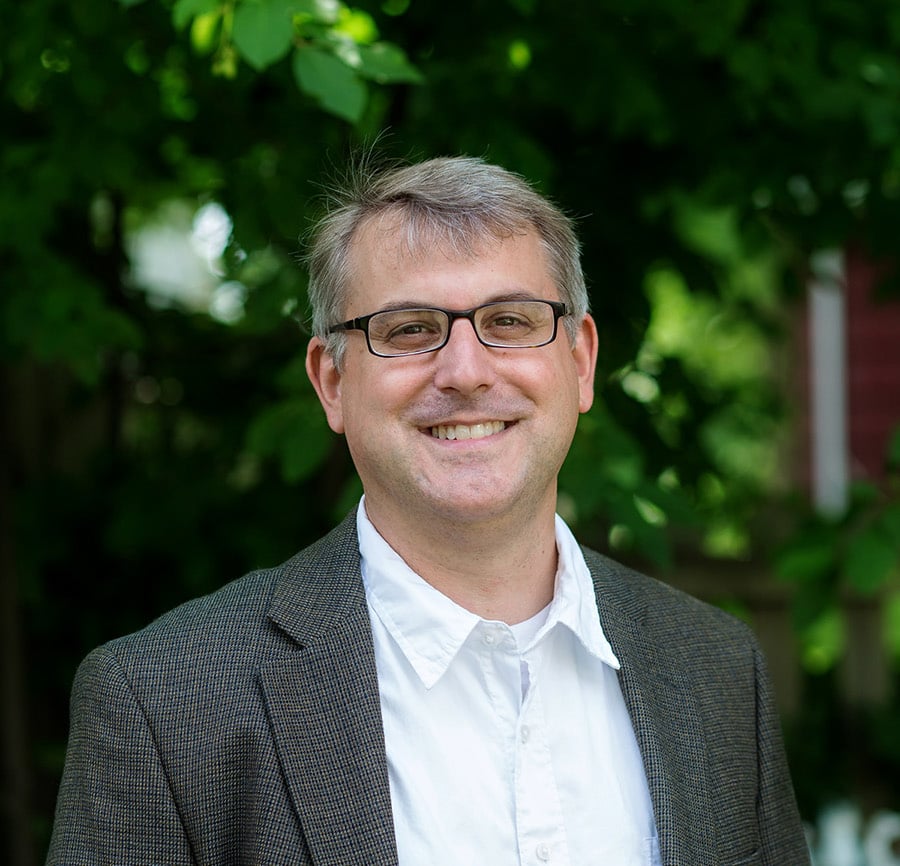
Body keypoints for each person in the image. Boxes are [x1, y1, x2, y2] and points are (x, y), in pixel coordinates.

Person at [47, 155, 811, 866]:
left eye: (510, 321)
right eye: (410, 330)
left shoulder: (714, 669)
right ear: (331, 383)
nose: (467, 372)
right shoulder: (163, 703)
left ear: (579, 361)